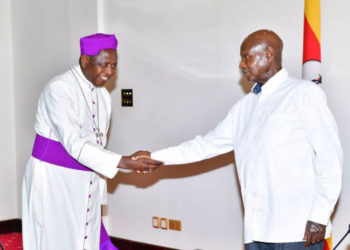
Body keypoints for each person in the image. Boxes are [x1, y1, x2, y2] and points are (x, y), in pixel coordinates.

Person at [135, 30, 343, 249]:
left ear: (268, 54)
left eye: (246, 56)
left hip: (297, 230)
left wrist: (319, 215)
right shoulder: (245, 107)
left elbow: (330, 159)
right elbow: (206, 145)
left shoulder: (303, 94)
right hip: (256, 230)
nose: (241, 65)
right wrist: (155, 157)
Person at [22, 33, 163, 250]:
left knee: (85, 239)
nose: (109, 71)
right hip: (54, 180)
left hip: (85, 178)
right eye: (103, 64)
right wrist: (123, 162)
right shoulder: (59, 89)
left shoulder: (104, 96)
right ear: (85, 59)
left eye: (114, 65)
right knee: (56, 240)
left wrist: (129, 161)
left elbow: (97, 145)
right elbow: (73, 143)